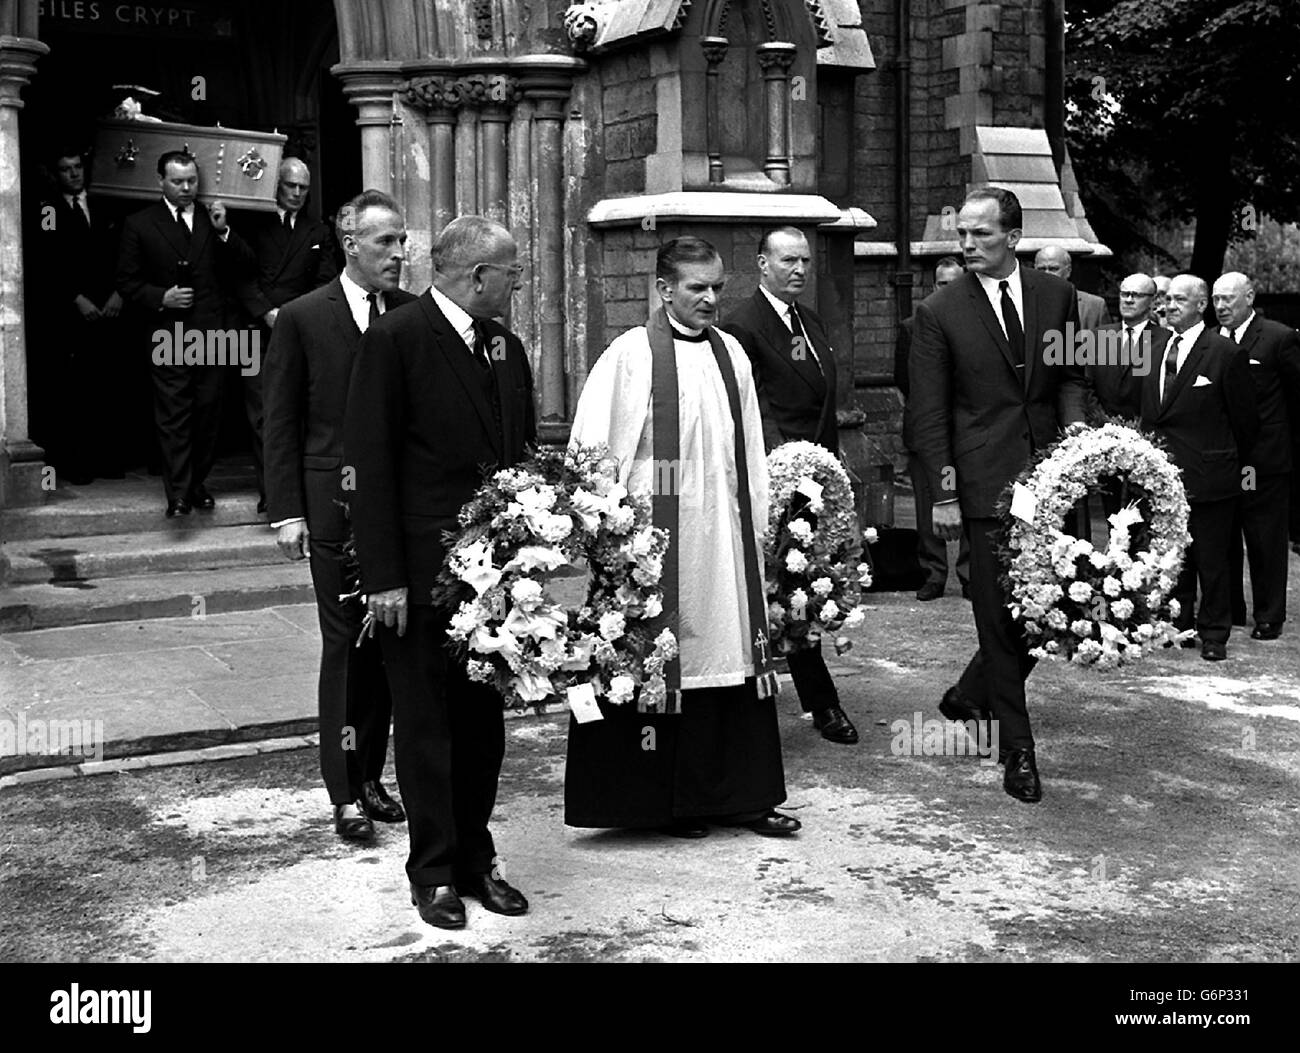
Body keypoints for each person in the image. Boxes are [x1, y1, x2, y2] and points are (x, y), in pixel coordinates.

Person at [565, 235, 799, 839]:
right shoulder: (629, 356)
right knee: (663, 657)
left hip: (721, 538)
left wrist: (760, 520)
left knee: (729, 654)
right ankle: (665, 804)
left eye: (718, 287)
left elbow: (749, 446)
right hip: (657, 544)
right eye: (698, 288)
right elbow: (593, 451)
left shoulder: (732, 355)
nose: (711, 299)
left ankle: (739, 798)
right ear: (664, 289)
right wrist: (608, 534)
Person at [344, 216, 536, 931]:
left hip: (494, 581)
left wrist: (530, 557)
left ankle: (476, 856)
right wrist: (384, 578)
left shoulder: (507, 347)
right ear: (476, 275)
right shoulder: (394, 340)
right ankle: (433, 871)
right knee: (425, 725)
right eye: (511, 271)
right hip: (418, 578)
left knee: (483, 722)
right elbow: (369, 464)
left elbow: (517, 455)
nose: (518, 282)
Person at [910, 188, 1088, 803]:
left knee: (1049, 609)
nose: (966, 245)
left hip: (1049, 481)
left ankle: (970, 693)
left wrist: (1075, 438)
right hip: (981, 487)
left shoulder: (1057, 296)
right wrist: (944, 494)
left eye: (980, 235)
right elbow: (929, 416)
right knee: (996, 614)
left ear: (1013, 237)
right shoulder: (940, 311)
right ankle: (1018, 751)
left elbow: (1068, 375)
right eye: (962, 234)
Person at [263, 190, 414, 844]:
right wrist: (287, 511)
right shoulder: (301, 317)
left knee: (388, 645)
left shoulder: (412, 315)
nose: (400, 255)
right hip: (331, 507)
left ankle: (374, 776)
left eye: (403, 242)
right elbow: (280, 421)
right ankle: (343, 791)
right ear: (351, 243)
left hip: (400, 509)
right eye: (386, 243)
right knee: (345, 645)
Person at [720, 225, 857, 746]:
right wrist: (785, 472)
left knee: (806, 583)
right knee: (782, 586)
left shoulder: (810, 319)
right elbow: (753, 410)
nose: (799, 270)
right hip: (773, 480)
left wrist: (830, 467)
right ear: (761, 263)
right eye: (787, 261)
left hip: (815, 476)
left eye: (805, 261)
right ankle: (815, 703)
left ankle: (813, 697)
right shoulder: (742, 327)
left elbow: (822, 403)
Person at [116, 150, 254, 517]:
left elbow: (246, 266)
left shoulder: (214, 219)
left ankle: (196, 483)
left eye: (192, 180)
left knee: (209, 414)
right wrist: (162, 297)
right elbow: (127, 282)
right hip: (169, 333)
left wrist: (224, 231)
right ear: (159, 181)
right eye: (178, 181)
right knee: (174, 415)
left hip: (214, 334)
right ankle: (177, 492)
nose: (187, 188)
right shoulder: (139, 223)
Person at [1140, 274, 1257, 661]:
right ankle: (1180, 625)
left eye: (1178, 300)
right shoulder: (1154, 349)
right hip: (1163, 475)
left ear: (1201, 304)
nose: (1168, 306)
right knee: (1175, 558)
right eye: (1166, 299)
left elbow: (1245, 420)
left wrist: (1235, 468)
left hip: (1211, 476)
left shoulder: (1224, 352)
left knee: (1214, 560)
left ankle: (1214, 634)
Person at [237, 158, 339, 513]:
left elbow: (325, 279)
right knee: (262, 413)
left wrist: (294, 316)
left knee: (302, 410)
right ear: (276, 186)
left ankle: (300, 491)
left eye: (303, 188)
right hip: (254, 331)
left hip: (299, 328)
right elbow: (239, 274)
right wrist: (266, 311)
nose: (296, 194)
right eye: (289, 186)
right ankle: (272, 491)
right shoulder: (251, 223)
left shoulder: (318, 231)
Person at [1212, 272, 1300, 641]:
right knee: (1227, 534)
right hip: (1225, 458)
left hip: (1263, 460)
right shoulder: (1212, 340)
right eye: (1216, 299)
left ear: (1249, 297)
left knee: (1264, 538)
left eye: (1228, 299)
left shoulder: (1279, 338)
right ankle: (1233, 609)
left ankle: (1269, 614)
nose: (1221, 307)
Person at [32, 148, 128, 484]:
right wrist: (76, 299)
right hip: (72, 314)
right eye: (65, 169)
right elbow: (46, 260)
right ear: (55, 173)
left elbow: (125, 252)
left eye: (77, 167)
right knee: (72, 391)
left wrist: (120, 292)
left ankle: (109, 460)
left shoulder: (106, 202)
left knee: (108, 386)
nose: (73, 174)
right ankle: (76, 464)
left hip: (111, 307)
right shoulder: (49, 210)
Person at [896, 256, 971, 602]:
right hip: (927, 431)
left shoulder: (977, 323)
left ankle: (971, 574)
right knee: (929, 503)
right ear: (933, 286)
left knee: (970, 501)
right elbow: (904, 379)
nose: (949, 289)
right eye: (943, 283)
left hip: (968, 431)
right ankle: (933, 573)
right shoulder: (913, 326)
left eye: (955, 282)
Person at [1034, 245, 1111, 329]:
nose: (1047, 274)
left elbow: (1105, 341)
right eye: (1041, 269)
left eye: (1053, 269)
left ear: (1068, 271)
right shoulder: (1024, 301)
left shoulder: (1095, 306)